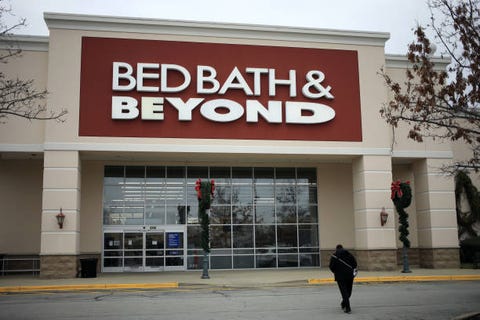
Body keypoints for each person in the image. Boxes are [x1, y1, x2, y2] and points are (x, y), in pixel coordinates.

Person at [329, 244, 357, 314]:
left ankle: (347, 307)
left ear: (336, 249)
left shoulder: (334, 256)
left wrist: (336, 272)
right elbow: (355, 264)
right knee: (348, 292)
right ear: (343, 248)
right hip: (350, 276)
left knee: (344, 292)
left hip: (340, 277)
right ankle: (344, 303)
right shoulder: (349, 254)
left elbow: (331, 267)